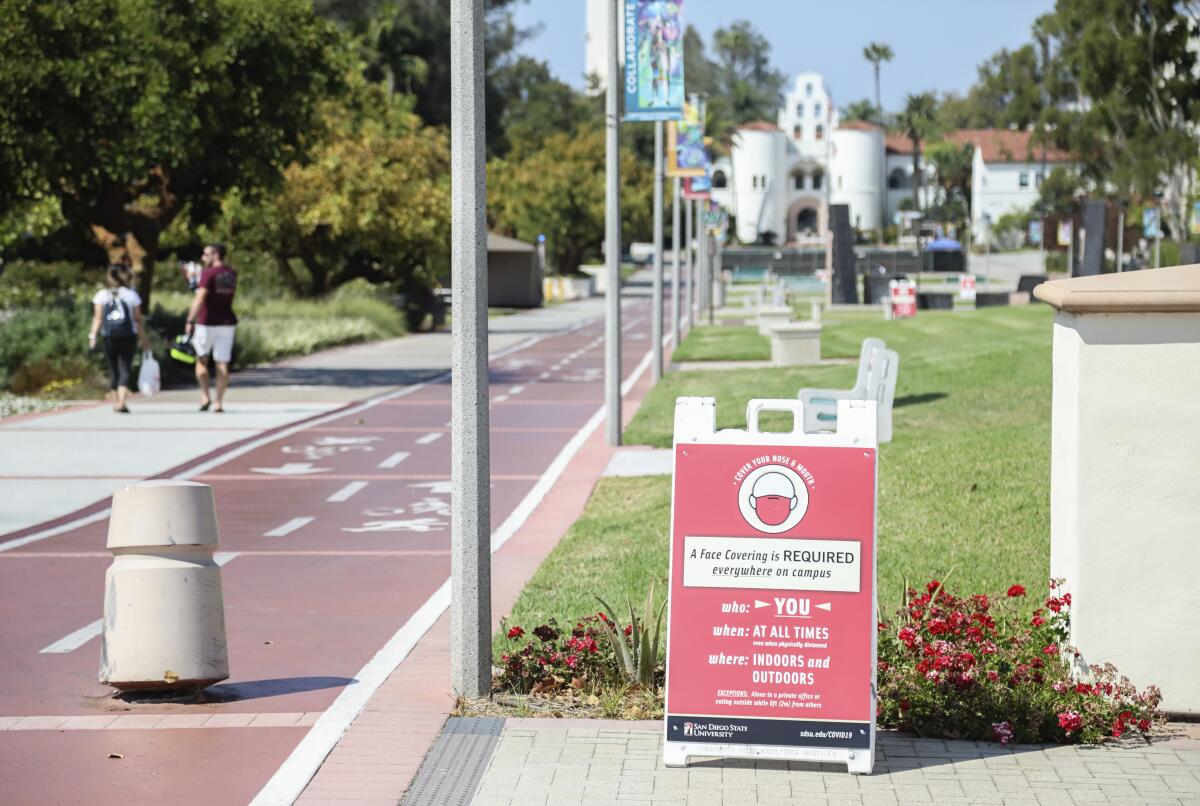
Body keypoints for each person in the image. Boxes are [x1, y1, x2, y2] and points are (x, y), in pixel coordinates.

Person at [88, 265, 150, 413]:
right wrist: (144, 338)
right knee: (125, 367)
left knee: (113, 368)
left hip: (109, 336)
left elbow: (98, 318)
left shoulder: (101, 295)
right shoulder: (131, 295)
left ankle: (117, 400)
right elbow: (137, 320)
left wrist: (92, 336)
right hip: (128, 335)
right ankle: (122, 401)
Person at [185, 243, 238, 412]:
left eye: (206, 255)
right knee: (222, 363)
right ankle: (219, 402)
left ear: (215, 255)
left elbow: (200, 298)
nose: (203, 258)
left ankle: (205, 395)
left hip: (206, 322)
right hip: (227, 322)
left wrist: (189, 320)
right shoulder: (231, 273)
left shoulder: (208, 273)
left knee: (201, 359)